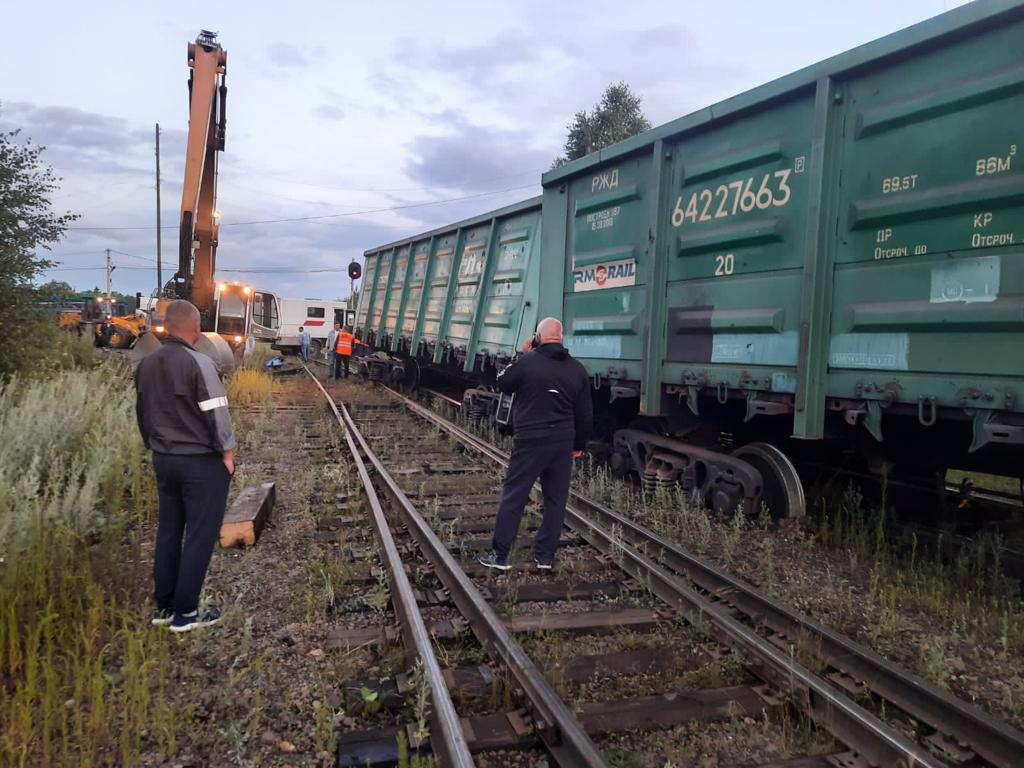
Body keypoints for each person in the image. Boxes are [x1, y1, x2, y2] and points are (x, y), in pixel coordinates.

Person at [134, 300, 235, 632]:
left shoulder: (146, 364)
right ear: (194, 328)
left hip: (164, 459)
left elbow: (143, 414)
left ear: (166, 327)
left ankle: (163, 607)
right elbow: (217, 413)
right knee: (199, 535)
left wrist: (155, 446)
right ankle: (186, 613)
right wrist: (227, 453)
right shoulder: (200, 363)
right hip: (199, 464)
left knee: (169, 530)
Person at [479, 317, 592, 571]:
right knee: (555, 501)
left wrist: (521, 354)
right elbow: (585, 415)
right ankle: (545, 558)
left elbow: (503, 383)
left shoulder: (527, 362)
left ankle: (500, 557)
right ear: (561, 337)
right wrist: (579, 445)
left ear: (538, 337)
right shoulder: (577, 369)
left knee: (514, 496)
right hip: (562, 442)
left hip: (530, 441)